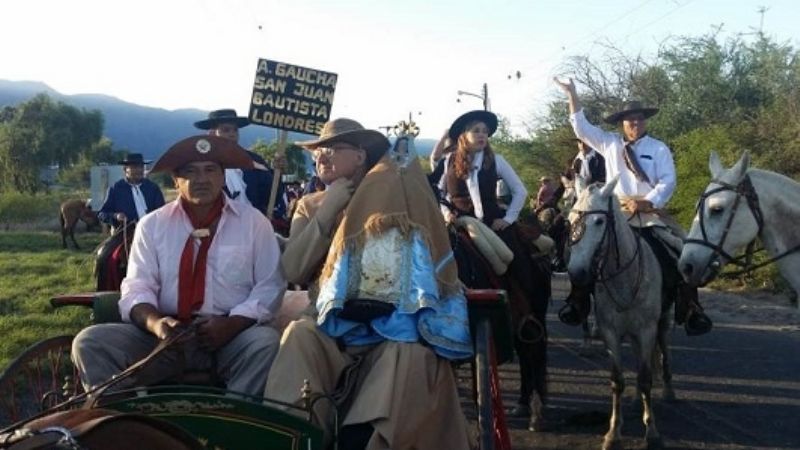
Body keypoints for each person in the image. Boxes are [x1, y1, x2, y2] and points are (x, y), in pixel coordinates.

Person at [265, 118, 472, 450]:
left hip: (392, 323)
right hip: (327, 321)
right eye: (317, 152)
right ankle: (292, 435)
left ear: (360, 156)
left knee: (408, 353)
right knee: (298, 335)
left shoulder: (396, 194)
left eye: (331, 150)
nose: (321, 158)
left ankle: (364, 438)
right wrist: (330, 207)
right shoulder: (308, 204)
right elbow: (294, 268)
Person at [72, 135, 286, 396]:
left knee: (265, 343)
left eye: (210, 170)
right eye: (190, 172)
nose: (201, 179)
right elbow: (138, 286)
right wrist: (156, 323)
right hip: (163, 338)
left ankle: (235, 421)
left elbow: (270, 287)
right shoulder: (152, 225)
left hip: (229, 336)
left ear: (222, 176)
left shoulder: (254, 223)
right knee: (90, 342)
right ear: (176, 180)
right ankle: (125, 423)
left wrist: (232, 324)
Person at [553, 77, 712, 336]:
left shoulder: (658, 148)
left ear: (644, 121)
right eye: (629, 120)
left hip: (650, 214)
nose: (634, 124)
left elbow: (668, 180)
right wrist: (572, 94)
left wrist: (648, 201)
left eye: (638, 119)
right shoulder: (610, 143)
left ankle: (692, 306)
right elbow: (580, 128)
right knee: (584, 250)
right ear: (621, 124)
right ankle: (578, 301)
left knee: (682, 249)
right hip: (618, 214)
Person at [438, 110, 550, 419]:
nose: (482, 134)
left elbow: (520, 190)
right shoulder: (449, 163)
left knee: (513, 262)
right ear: (463, 136)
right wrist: (446, 213)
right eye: (476, 130)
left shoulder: (495, 161)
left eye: (485, 130)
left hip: (493, 225)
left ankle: (526, 315)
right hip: (460, 224)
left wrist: (509, 218)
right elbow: (440, 193)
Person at [194, 109, 286, 220]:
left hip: (253, 227)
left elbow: (272, 198)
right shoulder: (202, 164)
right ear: (212, 133)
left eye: (235, 130)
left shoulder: (254, 160)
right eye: (226, 130)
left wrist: (276, 172)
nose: (232, 134)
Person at [97, 153, 165, 231]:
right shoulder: (116, 189)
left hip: (152, 231)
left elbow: (162, 211)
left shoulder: (152, 188)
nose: (139, 170)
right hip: (126, 234)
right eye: (135, 167)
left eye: (141, 167)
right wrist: (116, 216)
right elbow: (102, 214)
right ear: (125, 169)